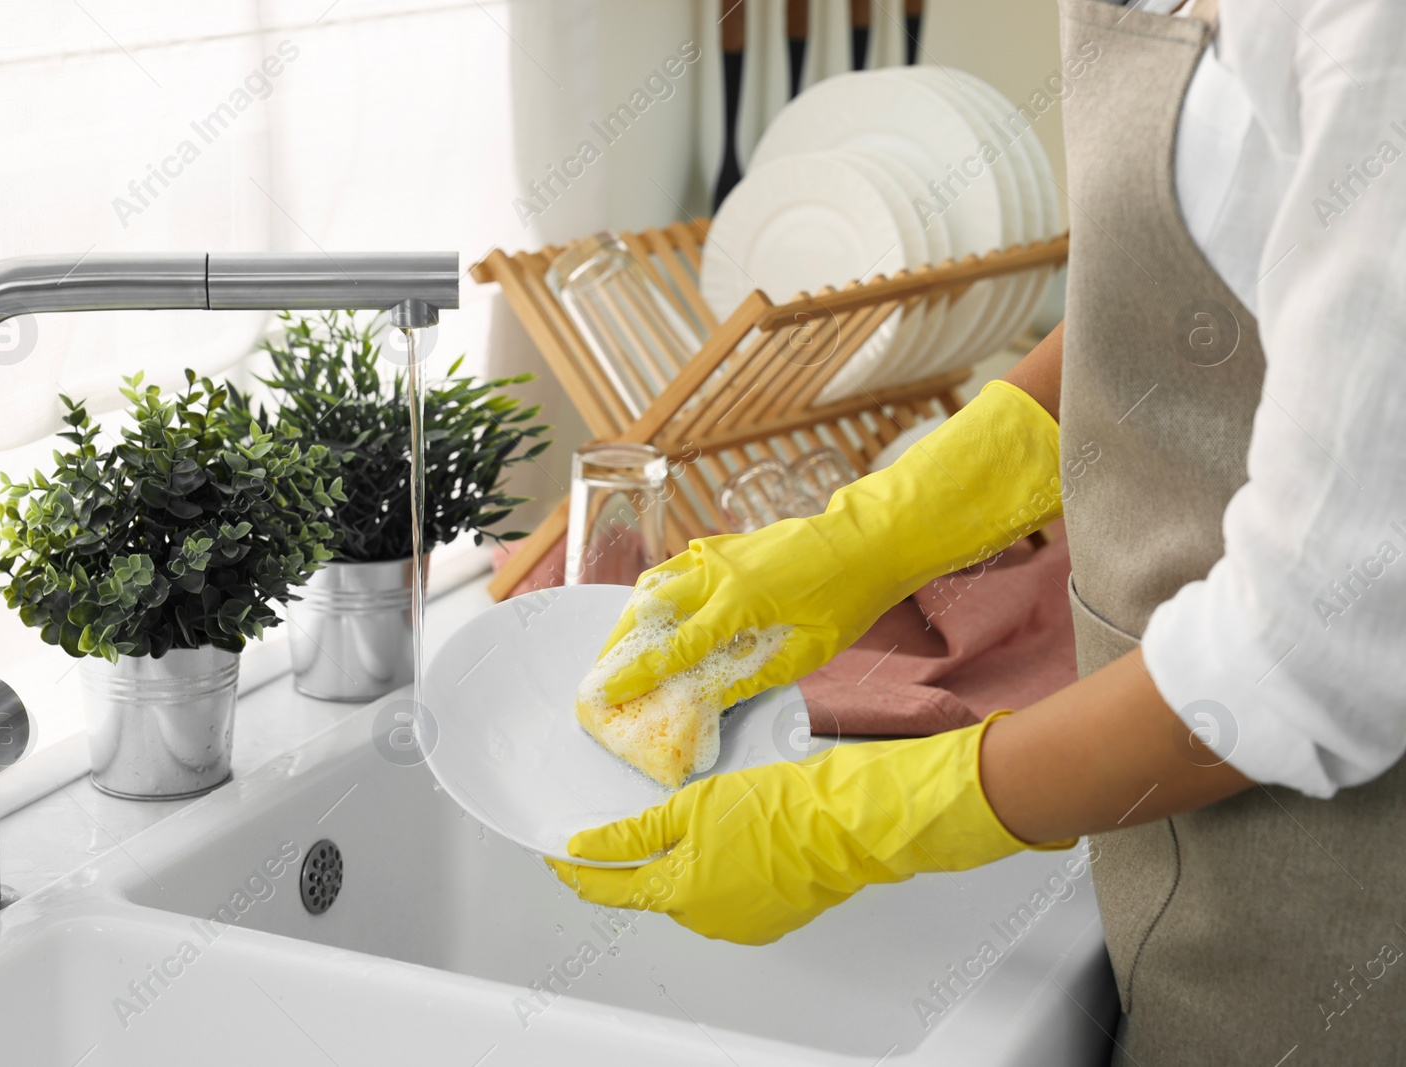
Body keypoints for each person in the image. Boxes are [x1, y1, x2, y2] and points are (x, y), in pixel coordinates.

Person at [549, 0, 1406, 1060]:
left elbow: (1308, 650)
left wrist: (857, 821)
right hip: (1176, 859)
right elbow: (1169, 306)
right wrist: (882, 524)